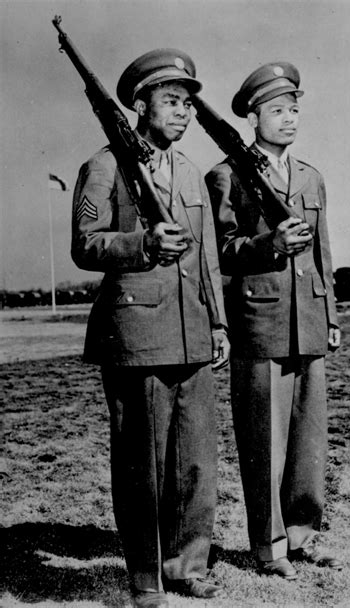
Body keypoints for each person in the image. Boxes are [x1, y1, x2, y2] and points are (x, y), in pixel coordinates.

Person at [71, 48, 230, 608]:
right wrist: (142, 245)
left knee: (195, 458)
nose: (183, 113)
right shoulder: (105, 165)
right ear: (139, 105)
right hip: (136, 333)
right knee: (142, 462)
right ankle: (145, 575)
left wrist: (218, 322)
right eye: (170, 102)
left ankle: (187, 563)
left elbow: (208, 256)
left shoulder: (189, 173)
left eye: (188, 103)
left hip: (192, 332)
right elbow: (86, 245)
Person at [205, 62, 342, 580]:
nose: (289, 119)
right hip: (259, 323)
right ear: (252, 117)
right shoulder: (226, 175)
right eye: (277, 111)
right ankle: (269, 546)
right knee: (266, 440)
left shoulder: (311, 176)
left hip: (308, 317)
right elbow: (221, 252)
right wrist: (270, 244)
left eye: (294, 110)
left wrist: (329, 311)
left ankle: (303, 535)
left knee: (309, 438)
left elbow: (324, 251)